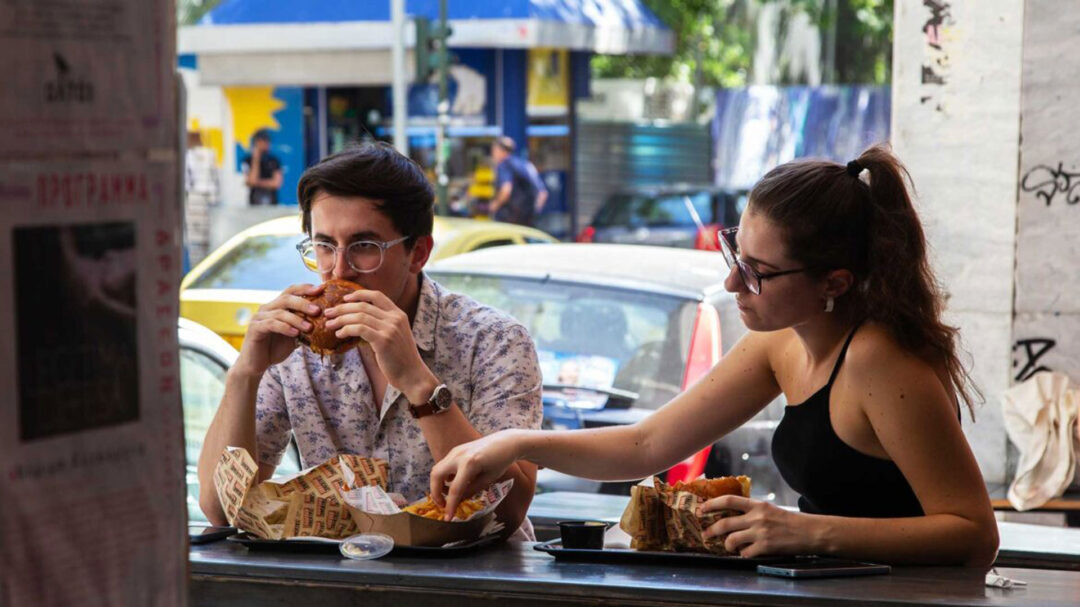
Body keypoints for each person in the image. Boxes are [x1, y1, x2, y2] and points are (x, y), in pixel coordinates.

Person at [431, 143, 1000, 566]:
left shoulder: (880, 361)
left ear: (835, 282)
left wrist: (808, 531)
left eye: (758, 273)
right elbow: (647, 445)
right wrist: (518, 444)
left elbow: (974, 533)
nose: (732, 284)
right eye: (735, 254)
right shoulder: (780, 342)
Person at [197, 143, 543, 539]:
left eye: (364, 247)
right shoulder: (296, 344)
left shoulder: (494, 340)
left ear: (418, 253)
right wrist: (245, 373)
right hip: (342, 572)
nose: (339, 270)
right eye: (324, 246)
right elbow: (219, 509)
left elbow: (509, 512)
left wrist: (418, 383)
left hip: (472, 573)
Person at [488, 136, 547, 226]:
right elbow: (543, 193)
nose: (493, 155)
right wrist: (531, 214)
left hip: (509, 221)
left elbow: (506, 190)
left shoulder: (504, 165)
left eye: (494, 151)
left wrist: (493, 206)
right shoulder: (526, 165)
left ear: (500, 151)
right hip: (527, 222)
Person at [184, 130, 219, 265]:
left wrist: (213, 199)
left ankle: (202, 264)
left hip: (201, 198)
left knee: (203, 238)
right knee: (194, 239)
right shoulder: (186, 155)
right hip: (192, 198)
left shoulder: (207, 155)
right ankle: (196, 264)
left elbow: (214, 179)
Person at [242, 128, 283, 206]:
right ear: (257, 142)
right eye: (264, 141)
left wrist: (258, 182)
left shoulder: (274, 160)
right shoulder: (248, 160)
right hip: (254, 203)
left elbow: (277, 183)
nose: (267, 143)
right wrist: (256, 160)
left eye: (268, 141)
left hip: (272, 203)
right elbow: (251, 181)